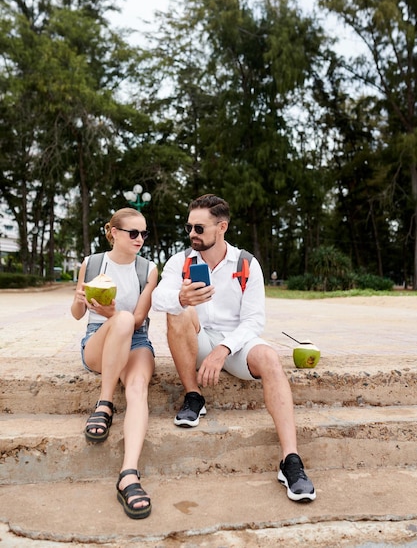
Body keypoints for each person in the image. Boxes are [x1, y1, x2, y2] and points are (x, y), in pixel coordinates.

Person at [152, 194, 316, 503]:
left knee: (269, 356)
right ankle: (193, 396)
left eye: (199, 228)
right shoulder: (181, 261)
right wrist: (181, 299)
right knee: (178, 312)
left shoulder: (246, 263)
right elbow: (158, 298)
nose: (192, 235)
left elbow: (254, 321)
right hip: (196, 342)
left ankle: (290, 460)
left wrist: (224, 349)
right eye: (189, 227)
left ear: (221, 226)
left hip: (235, 345)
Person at [71, 208, 158, 519]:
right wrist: (80, 301)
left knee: (137, 388)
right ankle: (105, 401)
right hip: (98, 340)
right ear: (114, 233)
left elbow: (137, 320)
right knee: (118, 320)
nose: (139, 239)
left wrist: (114, 315)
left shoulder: (148, 269)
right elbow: (77, 315)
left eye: (144, 233)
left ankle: (129, 474)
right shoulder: (92, 264)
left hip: (136, 340)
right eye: (133, 233)